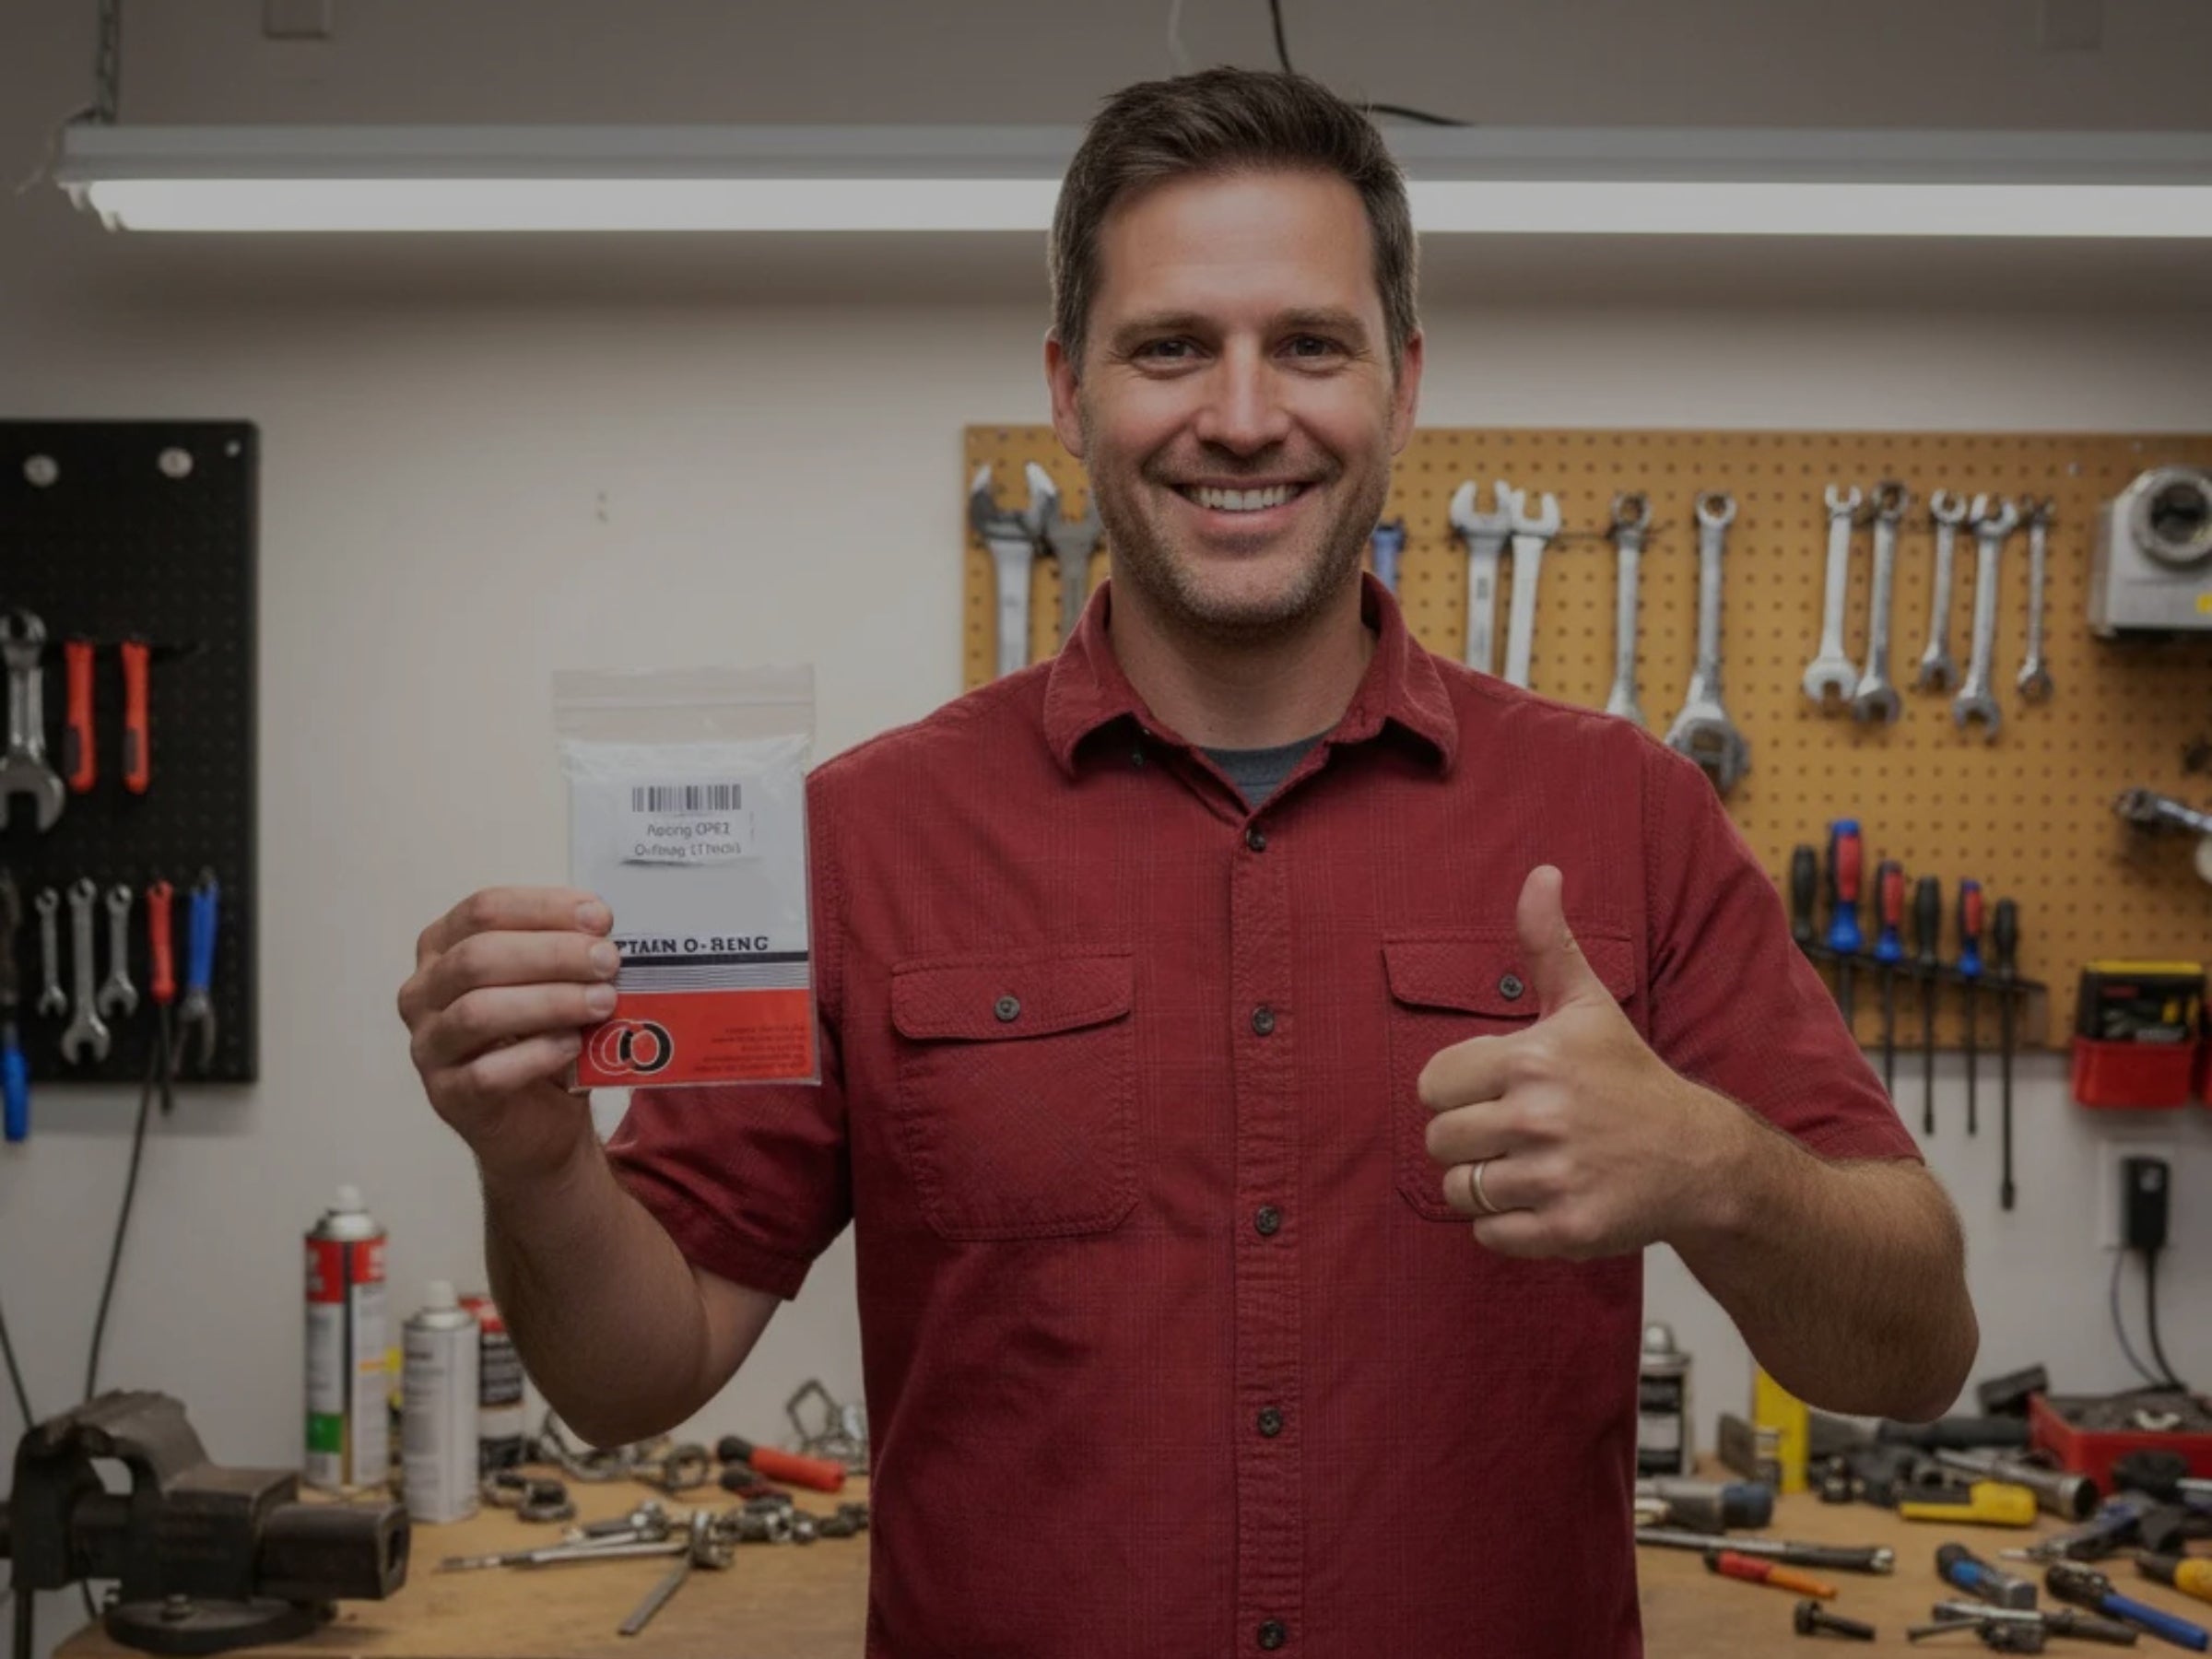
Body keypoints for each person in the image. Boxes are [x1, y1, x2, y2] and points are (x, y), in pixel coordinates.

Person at [398, 66, 1977, 1657]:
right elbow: (628, 1376)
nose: (1240, 414)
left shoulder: (1627, 812)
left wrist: (1717, 1164)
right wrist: (534, 1163)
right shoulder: (861, 844)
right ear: (1069, 393)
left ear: (1403, 385)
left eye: (1309, 344)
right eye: (1170, 348)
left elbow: (1912, 1351)